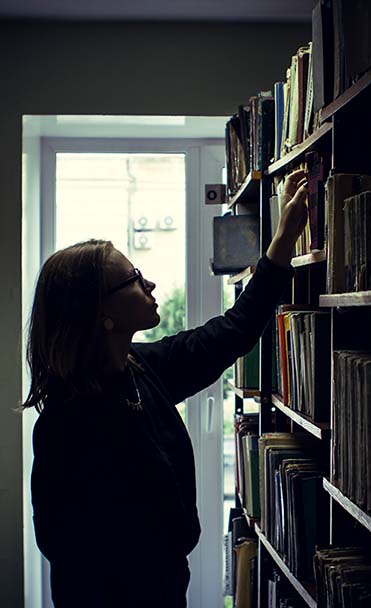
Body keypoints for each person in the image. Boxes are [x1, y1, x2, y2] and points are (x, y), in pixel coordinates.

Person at [25, 170, 308, 606]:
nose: (149, 284)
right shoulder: (67, 423)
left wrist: (283, 241)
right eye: (134, 279)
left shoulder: (139, 369)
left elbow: (230, 333)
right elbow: (65, 547)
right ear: (101, 313)